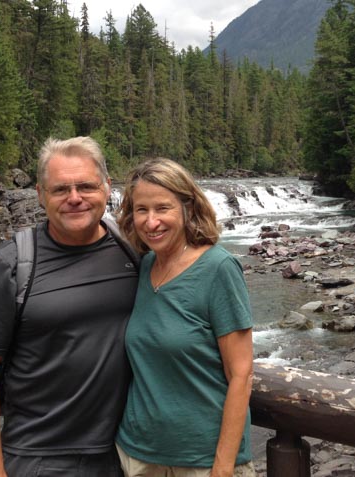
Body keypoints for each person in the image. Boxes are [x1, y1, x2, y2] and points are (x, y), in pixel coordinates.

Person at [0, 136, 139, 477]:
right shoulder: (12, 263)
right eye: (60, 190)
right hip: (38, 457)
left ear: (106, 187)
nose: (75, 198)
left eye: (85, 186)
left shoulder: (133, 248)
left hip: (124, 454)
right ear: (41, 195)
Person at [115, 158, 255, 477]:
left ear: (187, 208)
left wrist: (223, 466)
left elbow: (242, 374)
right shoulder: (145, 265)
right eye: (141, 210)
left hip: (202, 460)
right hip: (137, 455)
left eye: (162, 208)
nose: (151, 222)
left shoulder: (218, 268)